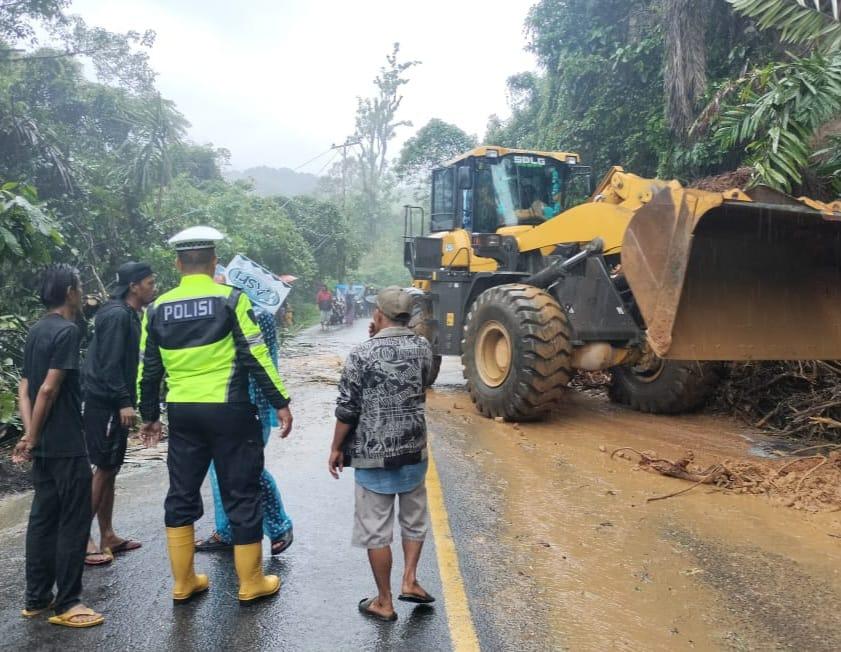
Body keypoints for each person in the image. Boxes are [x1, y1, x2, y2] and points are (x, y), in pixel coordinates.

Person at [138, 226, 294, 605]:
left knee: (181, 493)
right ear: (212, 263)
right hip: (230, 411)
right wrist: (280, 401)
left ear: (177, 264)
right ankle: (251, 582)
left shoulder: (157, 309)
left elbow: (148, 369)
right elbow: (255, 355)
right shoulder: (230, 300)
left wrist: (149, 416)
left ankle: (184, 581)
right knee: (241, 491)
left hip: (183, 413)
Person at [328, 287, 435, 622]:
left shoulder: (362, 353)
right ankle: (411, 579)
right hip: (413, 450)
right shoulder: (422, 347)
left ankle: (385, 601)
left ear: (378, 314)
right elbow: (424, 381)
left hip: (375, 455)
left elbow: (348, 408)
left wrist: (335, 448)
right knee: (414, 518)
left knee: (376, 530)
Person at [13, 264, 104, 628]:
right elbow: (48, 389)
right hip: (65, 443)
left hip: (46, 445)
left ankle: (36, 598)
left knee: (43, 519)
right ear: (70, 291)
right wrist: (32, 435)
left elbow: (25, 389)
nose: (81, 294)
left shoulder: (35, 330)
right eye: (79, 288)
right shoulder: (67, 331)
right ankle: (68, 603)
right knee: (73, 520)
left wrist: (29, 433)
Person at [197, 270, 294, 556]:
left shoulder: (256, 314)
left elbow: (263, 361)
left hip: (252, 404)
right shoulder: (213, 312)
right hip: (220, 403)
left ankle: (279, 526)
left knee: (246, 468)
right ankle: (226, 530)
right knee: (220, 470)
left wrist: (277, 404)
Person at [81, 262, 156, 566]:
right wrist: (124, 401)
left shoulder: (127, 314)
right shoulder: (116, 316)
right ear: (134, 286)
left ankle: (107, 534)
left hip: (113, 401)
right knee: (104, 467)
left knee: (110, 468)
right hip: (105, 403)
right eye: (150, 283)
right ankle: (80, 538)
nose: (154, 287)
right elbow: (109, 364)